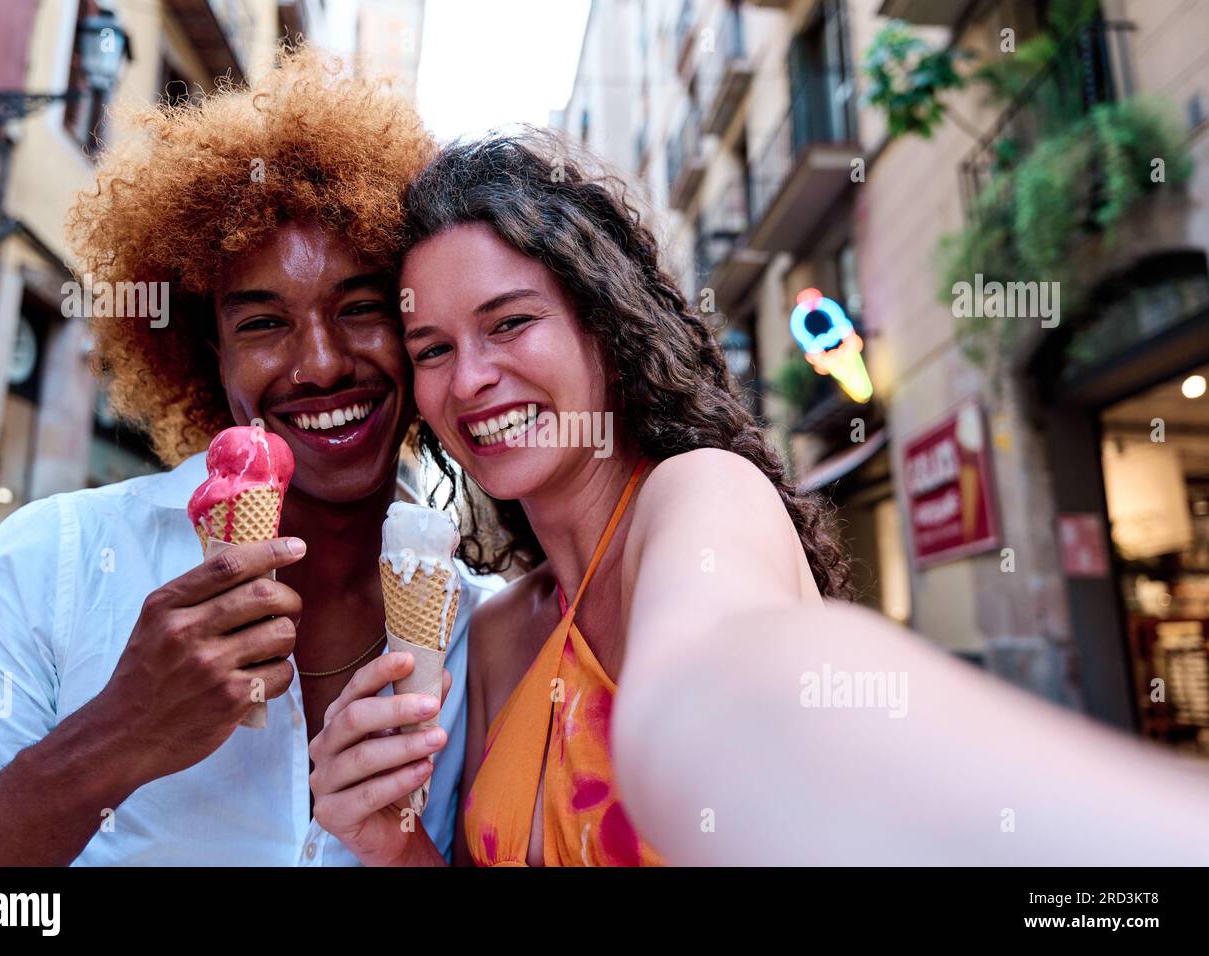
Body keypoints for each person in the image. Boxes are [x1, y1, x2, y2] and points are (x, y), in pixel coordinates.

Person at [314, 130, 1209, 866]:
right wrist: (390, 844)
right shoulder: (501, 630)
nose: (470, 378)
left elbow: (720, 689)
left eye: (509, 322)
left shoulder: (699, 496)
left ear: (604, 325)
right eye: (431, 349)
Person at [0, 46, 500, 867]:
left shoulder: (491, 631)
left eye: (361, 307)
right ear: (207, 355)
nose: (322, 362)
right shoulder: (50, 566)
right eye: (262, 322)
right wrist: (116, 737)